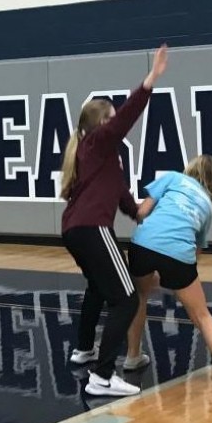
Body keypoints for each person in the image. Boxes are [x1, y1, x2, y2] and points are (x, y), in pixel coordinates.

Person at [60, 44, 168, 397]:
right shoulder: (97, 143)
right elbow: (124, 120)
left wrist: (160, 196)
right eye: (110, 117)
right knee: (127, 299)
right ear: (101, 124)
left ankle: (83, 349)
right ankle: (103, 376)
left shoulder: (103, 161)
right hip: (92, 230)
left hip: (76, 230)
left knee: (98, 287)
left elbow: (132, 209)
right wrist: (149, 81)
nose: (115, 121)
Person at [125, 155, 212, 388]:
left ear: (190, 169)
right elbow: (196, 250)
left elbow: (141, 212)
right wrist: (175, 275)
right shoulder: (208, 206)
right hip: (179, 253)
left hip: (142, 244)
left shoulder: (171, 178)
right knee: (201, 315)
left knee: (139, 297)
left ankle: (132, 356)